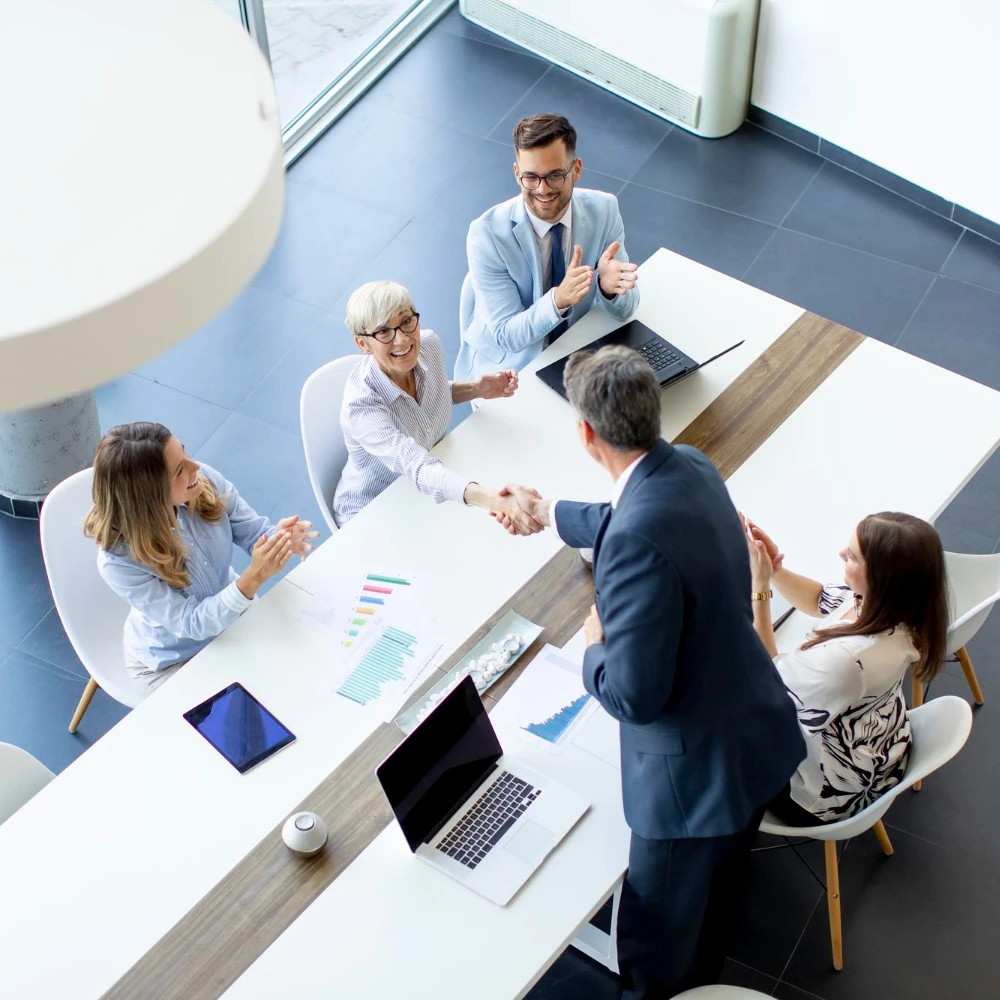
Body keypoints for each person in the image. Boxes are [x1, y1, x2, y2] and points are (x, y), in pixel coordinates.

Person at [497, 346, 805, 999]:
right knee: (717, 906)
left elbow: (636, 695)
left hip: (692, 786)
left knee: (652, 939)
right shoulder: (691, 466)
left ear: (585, 433)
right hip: (757, 738)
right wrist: (549, 511)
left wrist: (591, 648)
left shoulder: (636, 538)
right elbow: (626, 515)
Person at [743, 512, 949, 825]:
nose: (841, 553)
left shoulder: (848, 661)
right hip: (878, 753)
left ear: (881, 576)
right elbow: (820, 599)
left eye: (852, 555)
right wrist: (775, 571)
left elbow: (767, 678)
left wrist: (759, 589)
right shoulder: (900, 608)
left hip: (822, 795)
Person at [85, 422, 319, 694]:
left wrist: (277, 539)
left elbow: (255, 532)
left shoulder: (202, 482)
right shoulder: (118, 562)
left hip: (232, 620)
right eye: (179, 470)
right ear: (149, 495)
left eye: (184, 452)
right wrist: (253, 578)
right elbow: (190, 623)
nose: (195, 466)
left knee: (302, 672)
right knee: (257, 707)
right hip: (174, 659)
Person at [333, 280, 542, 533]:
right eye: (384, 332)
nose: (401, 340)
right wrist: (496, 501)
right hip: (374, 513)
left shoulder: (429, 345)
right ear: (363, 344)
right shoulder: (362, 407)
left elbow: (432, 393)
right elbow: (417, 466)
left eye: (406, 321)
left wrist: (477, 389)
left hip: (424, 490)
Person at [454, 113, 640, 383]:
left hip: (575, 353)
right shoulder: (486, 235)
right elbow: (507, 335)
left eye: (555, 176)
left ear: (576, 170)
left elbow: (626, 310)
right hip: (509, 366)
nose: (542, 190)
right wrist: (559, 300)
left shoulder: (604, 209)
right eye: (531, 177)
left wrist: (609, 289)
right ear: (517, 173)